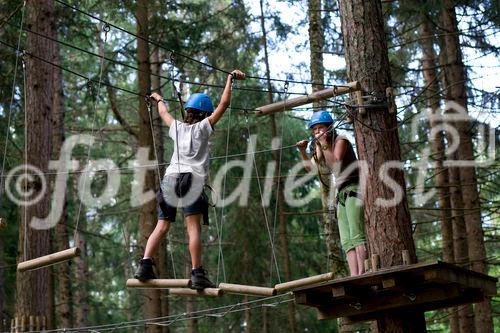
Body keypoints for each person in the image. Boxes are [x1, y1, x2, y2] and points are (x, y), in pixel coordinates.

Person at [134, 69, 246, 289]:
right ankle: (197, 273)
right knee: (193, 229)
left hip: (170, 179)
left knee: (162, 225)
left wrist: (158, 98)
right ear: (205, 114)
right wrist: (229, 80)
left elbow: (164, 113)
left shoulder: (177, 127)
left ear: (188, 112)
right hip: (192, 180)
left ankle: (144, 264)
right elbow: (224, 104)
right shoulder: (204, 127)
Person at [296, 111, 367, 276]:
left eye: (320, 128)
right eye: (314, 130)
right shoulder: (322, 145)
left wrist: (323, 144)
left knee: (356, 234)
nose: (317, 132)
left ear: (329, 127)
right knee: (346, 240)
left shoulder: (340, 140)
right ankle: (354, 275)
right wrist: (302, 151)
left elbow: (335, 162)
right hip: (341, 193)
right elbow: (311, 169)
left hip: (354, 188)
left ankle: (363, 273)